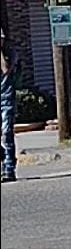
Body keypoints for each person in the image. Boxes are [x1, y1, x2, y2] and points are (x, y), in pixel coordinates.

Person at [1, 27, 17, 183]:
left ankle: (9, 168)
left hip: (5, 99)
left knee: (6, 133)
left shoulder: (9, 54)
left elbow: (5, 69)